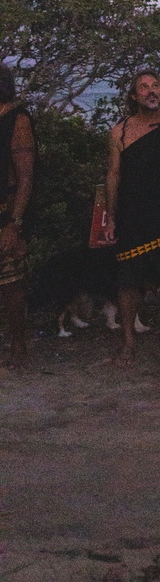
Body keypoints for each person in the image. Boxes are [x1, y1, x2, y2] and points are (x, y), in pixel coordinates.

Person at [105, 71, 160, 366]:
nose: (151, 91)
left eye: (155, 86)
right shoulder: (120, 132)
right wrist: (111, 218)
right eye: (143, 87)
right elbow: (113, 176)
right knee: (128, 281)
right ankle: (128, 343)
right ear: (133, 96)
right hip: (132, 215)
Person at [0, 65, 35, 370]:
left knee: (10, 281)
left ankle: (19, 347)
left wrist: (15, 222)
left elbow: (25, 177)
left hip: (5, 210)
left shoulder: (16, 119)